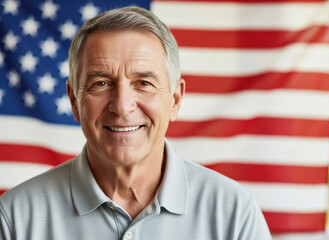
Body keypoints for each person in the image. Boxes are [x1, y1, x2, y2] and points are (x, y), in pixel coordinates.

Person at [0, 6, 271, 240]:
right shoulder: (15, 218)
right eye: (101, 83)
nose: (121, 105)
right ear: (74, 101)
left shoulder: (234, 214)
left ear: (174, 100)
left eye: (143, 83)